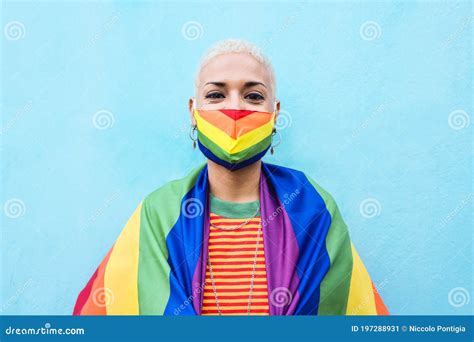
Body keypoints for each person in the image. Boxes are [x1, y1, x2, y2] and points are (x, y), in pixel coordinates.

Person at [73, 39, 389, 316]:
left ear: (275, 113)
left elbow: (351, 316)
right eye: (215, 95)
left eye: (253, 96)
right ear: (192, 111)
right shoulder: (158, 214)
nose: (234, 108)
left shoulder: (312, 209)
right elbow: (105, 313)